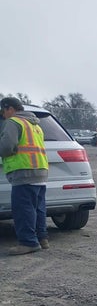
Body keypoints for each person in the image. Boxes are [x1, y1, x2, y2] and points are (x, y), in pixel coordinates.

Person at [0, 96, 49, 255]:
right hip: (40, 171)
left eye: (3, 111)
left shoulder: (13, 122)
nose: (3, 115)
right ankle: (42, 238)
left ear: (10, 109)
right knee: (38, 208)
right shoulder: (35, 125)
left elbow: (7, 146)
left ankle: (28, 242)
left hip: (23, 171)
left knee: (23, 209)